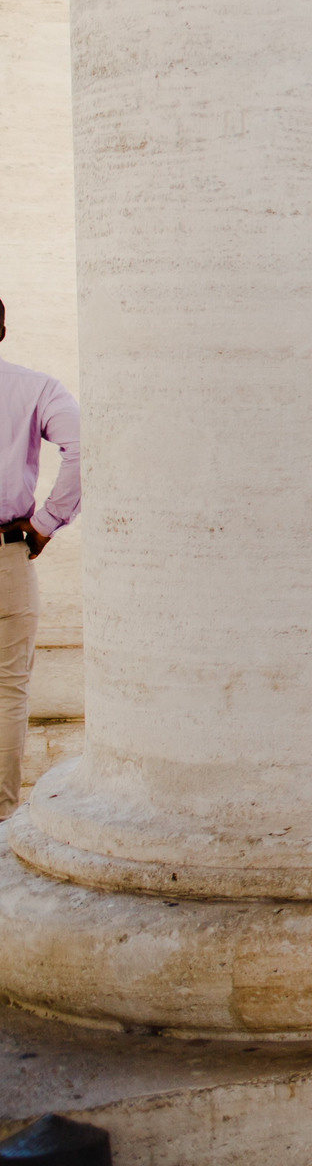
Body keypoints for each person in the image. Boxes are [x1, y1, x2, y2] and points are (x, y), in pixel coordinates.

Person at [0, 300, 80, 820]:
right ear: (2, 328)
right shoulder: (37, 388)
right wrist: (49, 521)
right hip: (5, 555)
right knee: (7, 687)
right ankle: (0, 814)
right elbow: (84, 448)